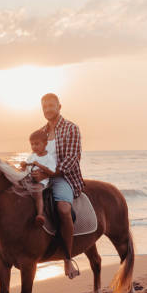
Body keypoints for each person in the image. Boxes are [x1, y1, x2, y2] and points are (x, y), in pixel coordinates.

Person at [31, 93, 84, 279]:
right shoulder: (40, 133)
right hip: (43, 177)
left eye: (51, 106)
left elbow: (71, 160)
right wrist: (33, 171)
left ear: (59, 106)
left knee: (62, 209)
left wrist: (49, 173)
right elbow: (36, 156)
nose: (47, 110)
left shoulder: (71, 129)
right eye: (44, 107)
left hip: (63, 177)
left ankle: (68, 259)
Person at [20, 129, 56, 226]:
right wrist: (23, 166)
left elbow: (52, 172)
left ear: (45, 144)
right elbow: (26, 169)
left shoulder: (49, 158)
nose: (34, 147)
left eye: (37, 144)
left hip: (42, 182)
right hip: (30, 178)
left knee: (38, 192)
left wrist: (39, 165)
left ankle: (40, 214)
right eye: (32, 144)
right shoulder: (32, 156)